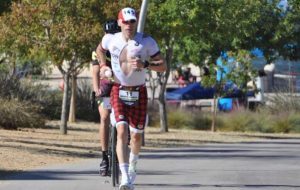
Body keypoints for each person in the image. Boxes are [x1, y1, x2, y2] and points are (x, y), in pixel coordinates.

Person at [97, 7, 166, 190]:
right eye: (125, 22)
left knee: (136, 137)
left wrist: (146, 65)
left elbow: (163, 66)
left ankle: (133, 163)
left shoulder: (146, 42)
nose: (129, 25)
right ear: (119, 22)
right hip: (118, 89)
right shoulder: (111, 39)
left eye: (132, 21)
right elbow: (99, 50)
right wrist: (104, 66)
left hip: (139, 92)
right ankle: (125, 177)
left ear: (136, 22)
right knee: (121, 132)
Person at [91, 19, 121, 176]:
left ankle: (122, 142)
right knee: (104, 116)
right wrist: (96, 90)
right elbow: (95, 72)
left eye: (114, 33)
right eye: (108, 33)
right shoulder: (99, 49)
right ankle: (104, 157)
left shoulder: (123, 46)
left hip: (121, 84)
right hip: (104, 86)